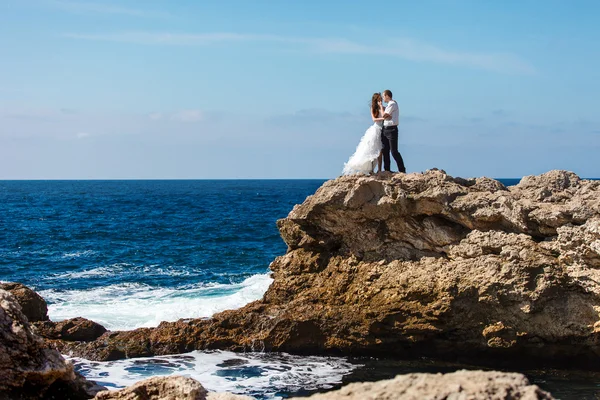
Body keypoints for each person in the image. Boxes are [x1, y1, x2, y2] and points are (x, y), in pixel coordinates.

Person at [342, 93, 385, 175]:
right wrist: (383, 118)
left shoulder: (382, 108)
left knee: (380, 151)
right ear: (375, 100)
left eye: (381, 100)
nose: (380, 101)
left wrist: (381, 107)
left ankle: (379, 169)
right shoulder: (373, 108)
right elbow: (374, 119)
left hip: (382, 129)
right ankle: (371, 169)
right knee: (372, 149)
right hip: (376, 129)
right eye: (379, 100)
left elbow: (384, 114)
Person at [380, 90, 406, 173]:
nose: (383, 98)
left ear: (387, 96)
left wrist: (380, 106)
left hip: (392, 129)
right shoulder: (389, 105)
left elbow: (384, 115)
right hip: (385, 128)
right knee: (385, 150)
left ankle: (402, 170)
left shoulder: (392, 104)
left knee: (394, 151)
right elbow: (386, 115)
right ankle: (387, 169)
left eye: (384, 96)